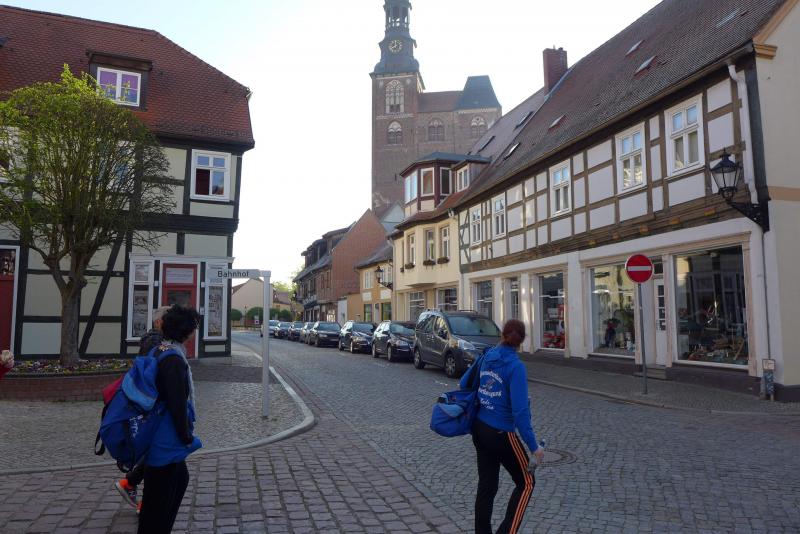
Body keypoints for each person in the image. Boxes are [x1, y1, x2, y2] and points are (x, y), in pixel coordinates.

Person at [461, 319, 544, 534]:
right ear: (522, 340)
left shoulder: (488, 356)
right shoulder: (515, 367)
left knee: (487, 486)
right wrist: (534, 447)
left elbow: (465, 383)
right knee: (527, 482)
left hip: (480, 427)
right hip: (501, 433)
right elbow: (520, 413)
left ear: (502, 334)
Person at [137, 305, 202, 534]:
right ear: (186, 331)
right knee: (159, 503)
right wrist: (185, 435)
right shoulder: (173, 359)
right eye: (193, 328)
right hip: (165, 439)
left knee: (179, 480)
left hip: (157, 433)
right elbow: (177, 403)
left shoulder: (160, 349)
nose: (194, 332)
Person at [115, 306, 171, 512]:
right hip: (153, 406)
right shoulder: (156, 343)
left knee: (158, 452)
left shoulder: (154, 340)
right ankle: (139, 494)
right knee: (158, 454)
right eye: (169, 320)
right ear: (158, 322)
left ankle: (131, 484)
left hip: (153, 405)